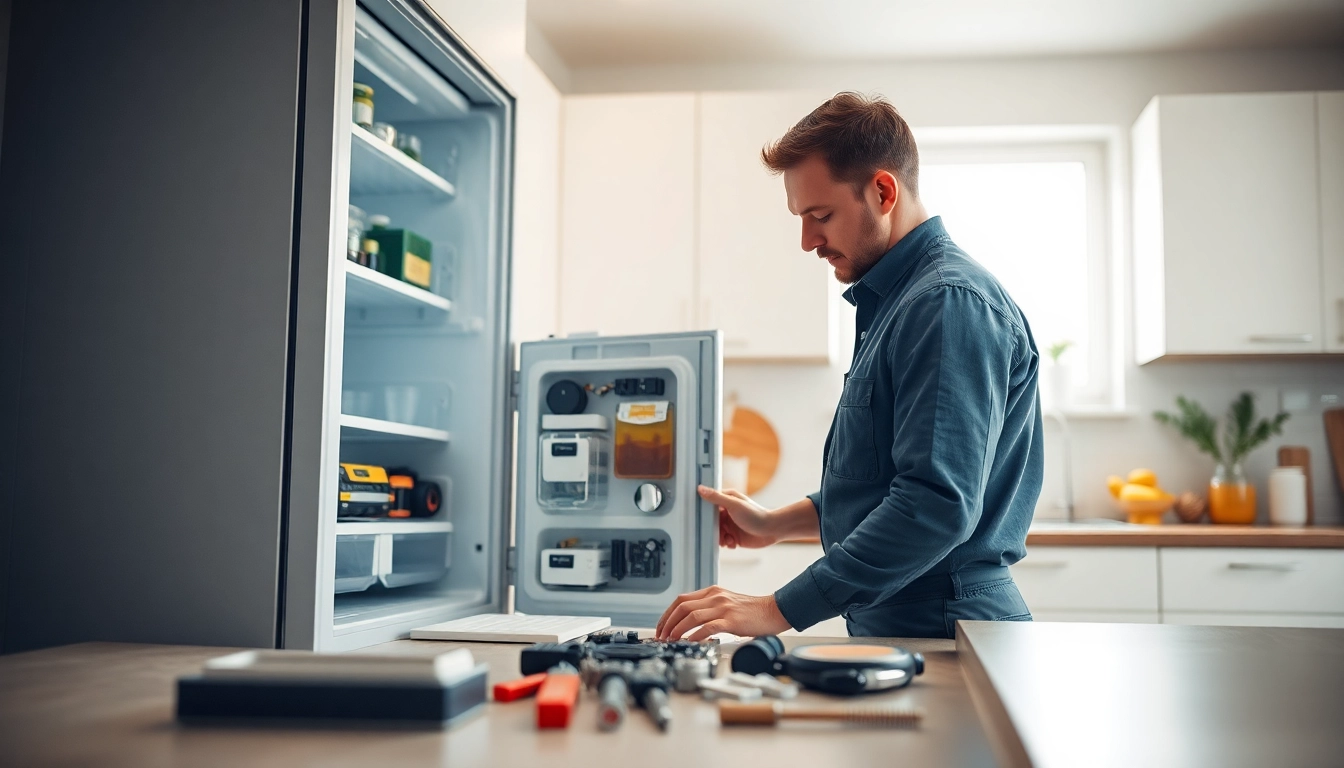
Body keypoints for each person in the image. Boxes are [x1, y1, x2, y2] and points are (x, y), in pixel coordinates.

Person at [655, 93, 1043, 641]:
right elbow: (885, 479)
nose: (808, 240)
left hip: (944, 623)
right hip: (908, 618)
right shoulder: (898, 301)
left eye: (821, 216)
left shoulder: (945, 303)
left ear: (883, 192)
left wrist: (776, 608)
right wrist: (774, 524)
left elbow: (933, 505)